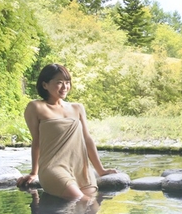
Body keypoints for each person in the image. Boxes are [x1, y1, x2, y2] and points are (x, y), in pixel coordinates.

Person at [16, 63, 116, 199]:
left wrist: (100, 170)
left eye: (67, 82)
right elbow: (37, 141)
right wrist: (34, 172)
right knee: (83, 201)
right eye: (59, 83)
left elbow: (87, 139)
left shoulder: (77, 108)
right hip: (53, 168)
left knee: (92, 213)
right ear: (45, 85)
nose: (65, 87)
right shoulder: (36, 107)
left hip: (81, 169)